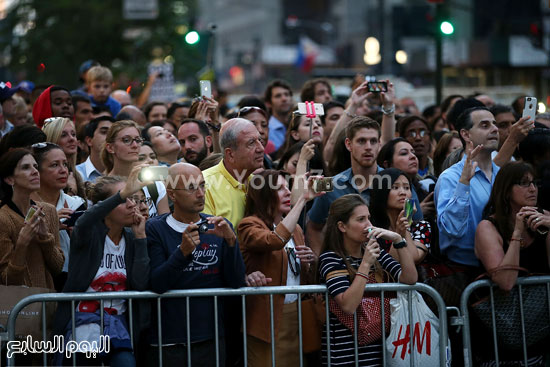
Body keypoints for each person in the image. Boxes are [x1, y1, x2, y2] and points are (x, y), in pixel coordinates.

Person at [146, 163, 245, 366]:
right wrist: (182, 253)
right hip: (170, 339)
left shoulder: (217, 226)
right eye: (192, 188)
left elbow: (236, 282)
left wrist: (231, 243)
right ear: (172, 195)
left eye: (202, 186)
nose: (200, 194)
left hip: (211, 335)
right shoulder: (156, 228)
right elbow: (157, 283)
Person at [52, 165, 150, 366]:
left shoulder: (132, 238)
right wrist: (121, 194)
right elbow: (86, 219)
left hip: (119, 326)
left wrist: (140, 238)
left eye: (135, 199)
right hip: (84, 325)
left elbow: (140, 284)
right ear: (105, 207)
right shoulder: (88, 234)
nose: (133, 205)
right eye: (125, 200)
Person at [318, 194, 417, 366]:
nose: (369, 226)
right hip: (344, 354)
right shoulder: (331, 258)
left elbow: (409, 278)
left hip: (378, 351)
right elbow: (348, 305)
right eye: (361, 219)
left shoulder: (375, 252)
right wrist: (365, 264)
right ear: (342, 226)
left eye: (369, 218)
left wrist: (398, 240)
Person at [237, 170, 319, 366]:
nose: (288, 193)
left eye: (287, 187)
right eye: (279, 189)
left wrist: (310, 261)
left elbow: (301, 274)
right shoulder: (248, 224)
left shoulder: (296, 229)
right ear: (263, 193)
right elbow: (274, 240)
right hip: (267, 321)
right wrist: (302, 201)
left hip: (297, 316)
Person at [474, 162, 550, 365]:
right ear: (506, 191)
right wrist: (517, 233)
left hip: (542, 336)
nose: (533, 189)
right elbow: (506, 281)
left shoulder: (545, 219)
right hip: (503, 341)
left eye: (534, 183)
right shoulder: (488, 227)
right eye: (524, 184)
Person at [434, 106, 500, 269]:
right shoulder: (451, 178)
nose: (495, 129)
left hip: (503, 264)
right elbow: (451, 230)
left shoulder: (502, 174)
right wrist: (464, 183)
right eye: (485, 125)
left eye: (494, 124)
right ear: (465, 134)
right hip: (465, 271)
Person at [308, 117, 383, 255]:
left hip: (388, 269)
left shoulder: (396, 181)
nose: (368, 147)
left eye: (373, 141)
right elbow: (313, 226)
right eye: (361, 141)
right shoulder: (327, 184)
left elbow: (414, 226)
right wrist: (320, 261)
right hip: (342, 270)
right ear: (348, 144)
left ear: (379, 144)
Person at [0, 148, 64, 288]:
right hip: (16, 306)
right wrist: (22, 244)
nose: (35, 171)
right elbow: (7, 280)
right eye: (25, 167)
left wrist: (45, 238)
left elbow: (58, 268)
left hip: (46, 303)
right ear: (10, 179)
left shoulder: (49, 211)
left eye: (35, 166)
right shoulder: (3, 218)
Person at [30, 143, 86, 289]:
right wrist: (51, 223)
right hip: (36, 280)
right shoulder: (24, 204)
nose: (63, 170)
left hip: (72, 280)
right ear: (37, 171)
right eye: (54, 165)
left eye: (65, 164)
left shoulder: (76, 203)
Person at [202, 118, 264, 228]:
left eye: (260, 140)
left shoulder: (259, 184)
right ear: (230, 154)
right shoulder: (204, 185)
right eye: (251, 143)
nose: (261, 148)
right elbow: (209, 240)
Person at [101, 120, 170, 217]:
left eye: (138, 140)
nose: (135, 145)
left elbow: (163, 226)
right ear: (110, 148)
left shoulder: (154, 184)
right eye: (126, 140)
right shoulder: (103, 187)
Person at [369, 168, 430, 264]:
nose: (403, 192)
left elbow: (413, 258)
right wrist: (398, 233)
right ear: (381, 192)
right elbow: (391, 264)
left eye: (406, 188)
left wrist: (406, 221)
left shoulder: (421, 226)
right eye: (395, 187)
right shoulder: (372, 229)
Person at [377, 138, 428, 220]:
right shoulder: (378, 185)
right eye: (404, 153)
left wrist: (410, 214)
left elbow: (411, 225)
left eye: (407, 188)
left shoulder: (423, 190)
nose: (413, 156)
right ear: (387, 164)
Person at [42, 117, 87, 199]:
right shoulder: (44, 175)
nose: (71, 139)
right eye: (63, 135)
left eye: (73, 134)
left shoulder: (78, 175)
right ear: (52, 139)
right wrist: (71, 191)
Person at [76, 116, 114, 182]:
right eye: (104, 132)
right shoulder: (76, 174)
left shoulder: (126, 173)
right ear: (89, 141)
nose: (109, 137)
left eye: (113, 134)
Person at [264, 79, 293, 151]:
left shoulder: (298, 125)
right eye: (278, 96)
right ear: (268, 103)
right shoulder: (267, 131)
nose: (284, 99)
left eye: (287, 94)